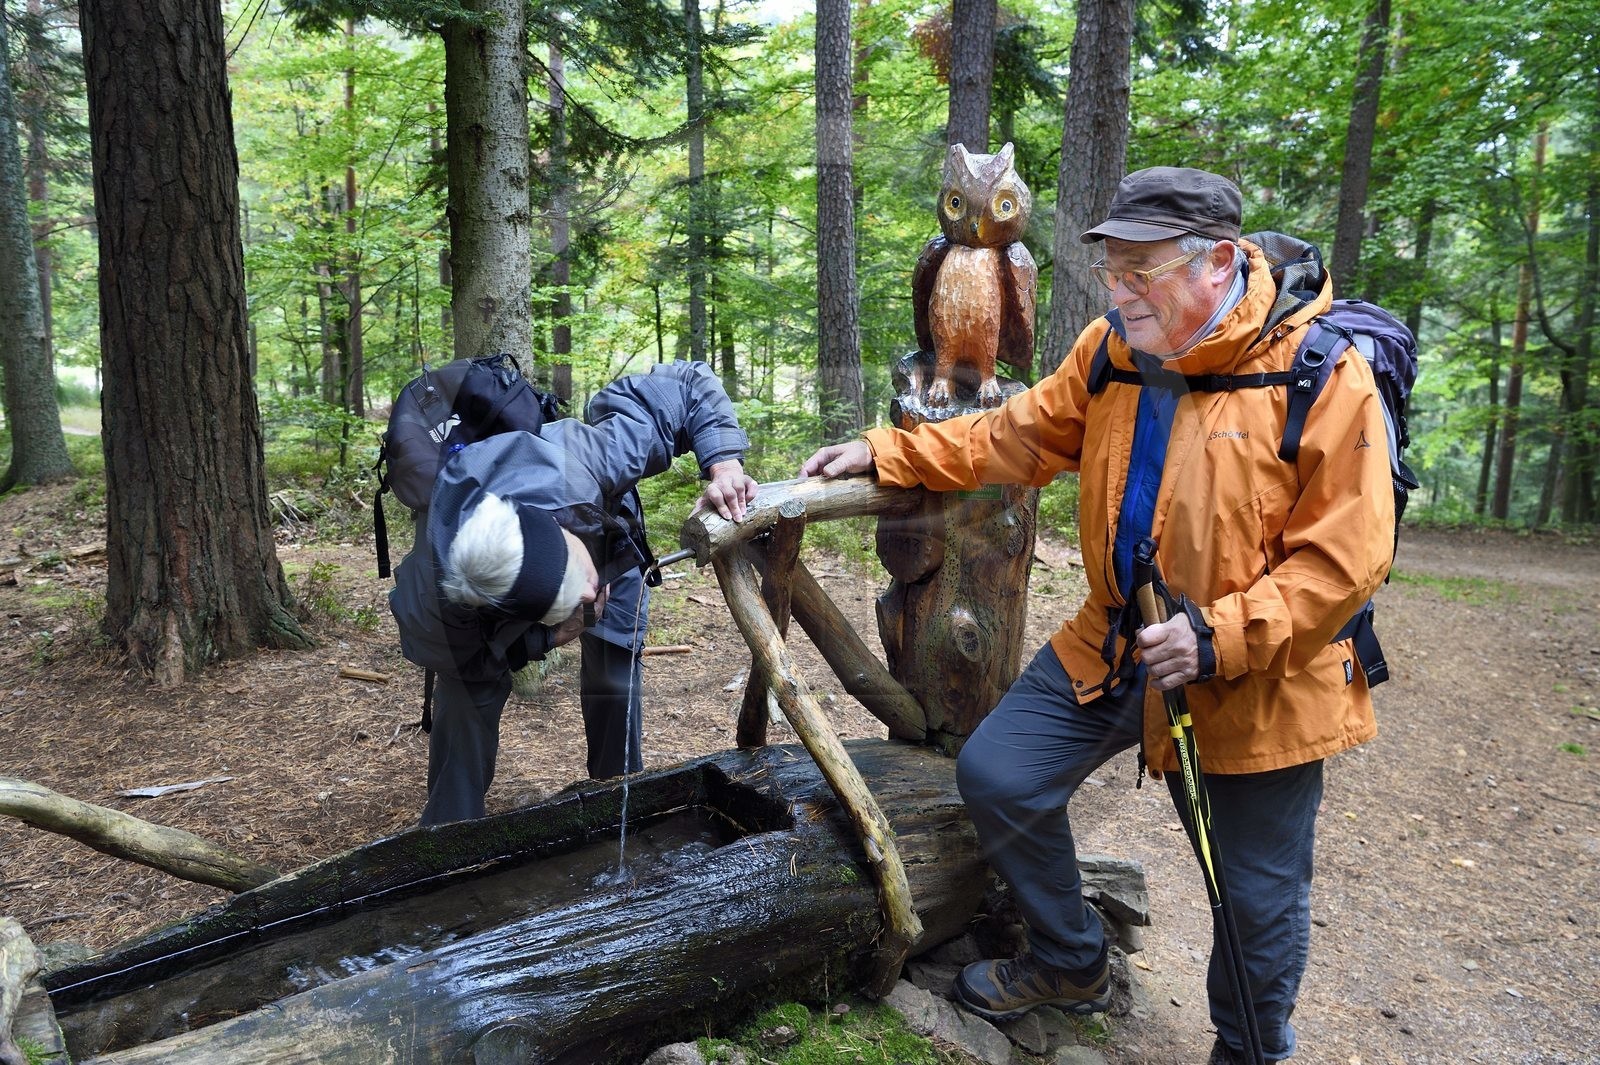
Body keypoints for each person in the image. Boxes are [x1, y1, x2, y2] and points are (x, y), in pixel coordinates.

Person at [800, 167, 1395, 1063]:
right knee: (1001, 773)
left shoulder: (1318, 373)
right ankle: (1072, 960)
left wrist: (1218, 637)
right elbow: (1016, 432)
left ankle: (1249, 1049)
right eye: (1113, 269)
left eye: (1139, 270)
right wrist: (889, 449)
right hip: (1120, 637)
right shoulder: (1115, 349)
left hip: (1262, 670)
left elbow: (1346, 559)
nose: (1118, 290)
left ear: (1220, 262)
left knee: (1252, 895)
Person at [392, 359, 756, 827]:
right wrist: (547, 638)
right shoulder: (436, 609)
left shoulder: (586, 458)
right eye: (572, 602)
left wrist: (723, 465)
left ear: (563, 534)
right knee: (465, 699)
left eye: (579, 580)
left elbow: (687, 382)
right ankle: (447, 832)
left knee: (615, 672)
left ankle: (620, 804)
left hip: (604, 530)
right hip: (490, 601)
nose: (590, 595)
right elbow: (474, 660)